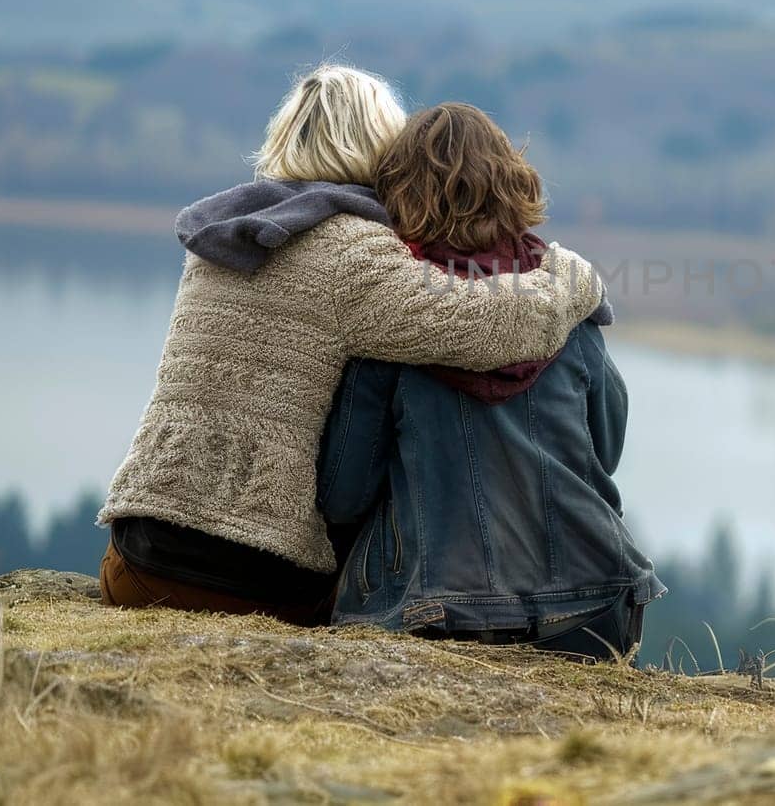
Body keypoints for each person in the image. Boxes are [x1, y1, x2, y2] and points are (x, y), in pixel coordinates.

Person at [97, 67, 608, 625]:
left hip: (135, 567)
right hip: (250, 581)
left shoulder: (225, 234)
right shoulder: (354, 254)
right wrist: (570, 280)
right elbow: (489, 329)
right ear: (378, 147)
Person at [317, 102, 663, 661]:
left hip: (433, 613)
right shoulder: (568, 308)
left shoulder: (394, 321)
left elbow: (343, 494)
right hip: (596, 605)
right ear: (512, 185)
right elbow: (606, 450)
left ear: (397, 195)